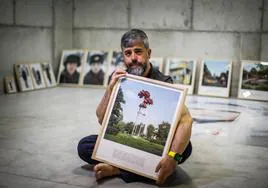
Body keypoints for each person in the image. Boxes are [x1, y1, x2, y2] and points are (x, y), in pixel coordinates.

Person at [77, 29, 193, 185]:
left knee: (184, 150)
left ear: (149, 53)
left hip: (155, 147)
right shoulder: (120, 78)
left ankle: (117, 168)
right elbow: (101, 119)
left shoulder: (164, 82)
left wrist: (172, 157)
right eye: (128, 53)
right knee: (84, 146)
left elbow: (186, 120)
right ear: (123, 56)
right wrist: (110, 88)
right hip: (129, 147)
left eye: (138, 52)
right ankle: (132, 169)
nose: (133, 58)